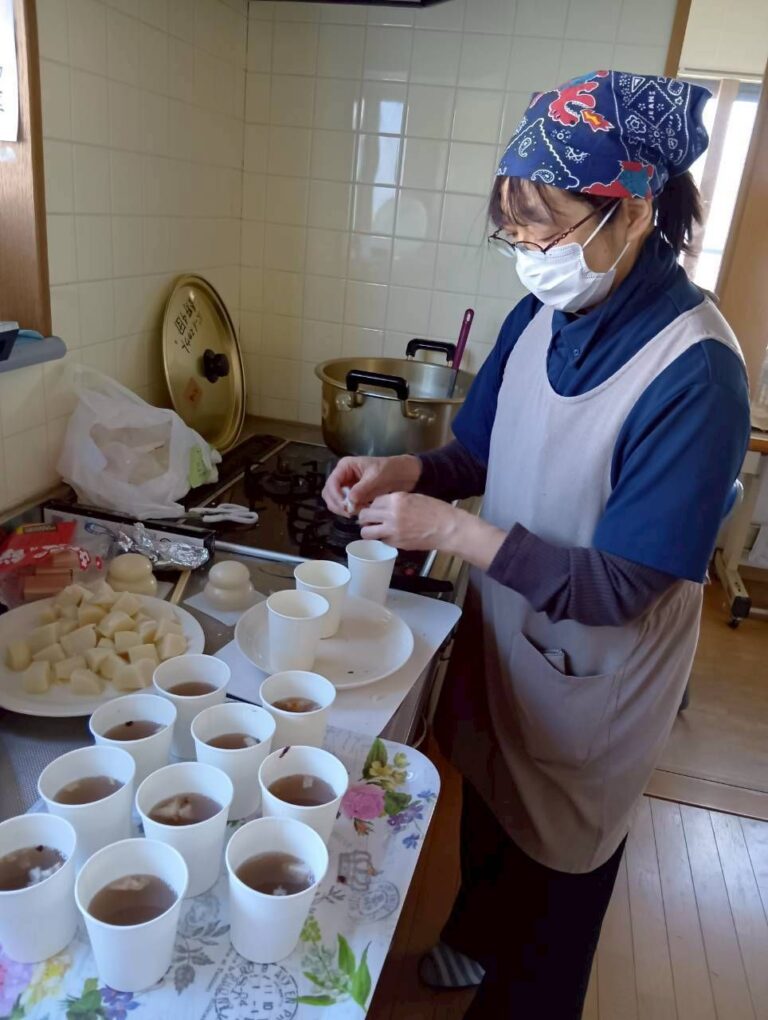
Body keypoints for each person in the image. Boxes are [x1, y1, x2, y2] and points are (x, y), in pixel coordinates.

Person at [323, 71, 751, 1018]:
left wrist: (451, 530)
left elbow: (621, 586)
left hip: (594, 681)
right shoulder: (540, 316)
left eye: (544, 229)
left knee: (556, 891)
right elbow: (476, 448)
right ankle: (474, 937)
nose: (525, 253)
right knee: (490, 817)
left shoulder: (698, 374)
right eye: (511, 231)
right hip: (511, 641)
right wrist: (406, 476)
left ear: (631, 212)